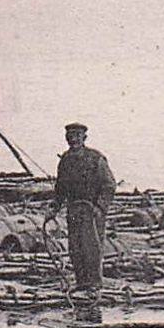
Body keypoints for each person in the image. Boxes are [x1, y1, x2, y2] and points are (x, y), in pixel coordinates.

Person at [54, 123, 116, 295]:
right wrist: (54, 208)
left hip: (92, 211)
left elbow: (109, 185)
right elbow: (60, 188)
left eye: (77, 135)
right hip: (73, 210)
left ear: (84, 138)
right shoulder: (65, 160)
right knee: (75, 247)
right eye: (70, 135)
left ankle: (95, 284)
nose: (73, 139)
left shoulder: (96, 158)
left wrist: (100, 207)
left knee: (92, 247)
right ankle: (82, 282)